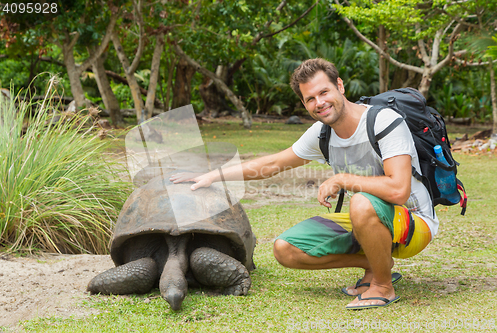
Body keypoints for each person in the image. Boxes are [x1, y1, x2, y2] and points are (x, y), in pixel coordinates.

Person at [170, 58, 438, 310]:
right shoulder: (322, 133)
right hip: (367, 217)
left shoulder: (383, 121)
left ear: (340, 86)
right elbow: (273, 164)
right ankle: (376, 262)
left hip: (413, 222)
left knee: (361, 201)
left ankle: (382, 285)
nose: (319, 102)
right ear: (304, 103)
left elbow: (398, 190)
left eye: (324, 92)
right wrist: (213, 175)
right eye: (310, 99)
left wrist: (343, 179)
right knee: (285, 249)